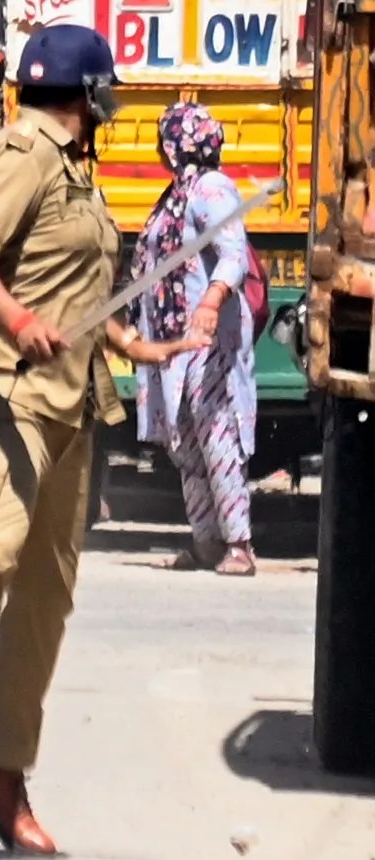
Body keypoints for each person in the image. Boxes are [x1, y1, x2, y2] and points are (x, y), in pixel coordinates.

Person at [0, 25, 190, 856]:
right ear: (90, 94)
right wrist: (16, 320)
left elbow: (75, 290)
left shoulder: (76, 173)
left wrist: (134, 344)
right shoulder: (21, 155)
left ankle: (3, 773)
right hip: (0, 400)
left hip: (70, 405)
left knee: (48, 596)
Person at [133, 102, 261, 577]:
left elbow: (232, 256)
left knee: (216, 435)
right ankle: (206, 542)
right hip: (177, 345)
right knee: (186, 442)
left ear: (176, 144)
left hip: (207, 341)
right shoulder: (177, 193)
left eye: (163, 139)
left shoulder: (211, 188)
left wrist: (209, 305)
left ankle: (239, 545)